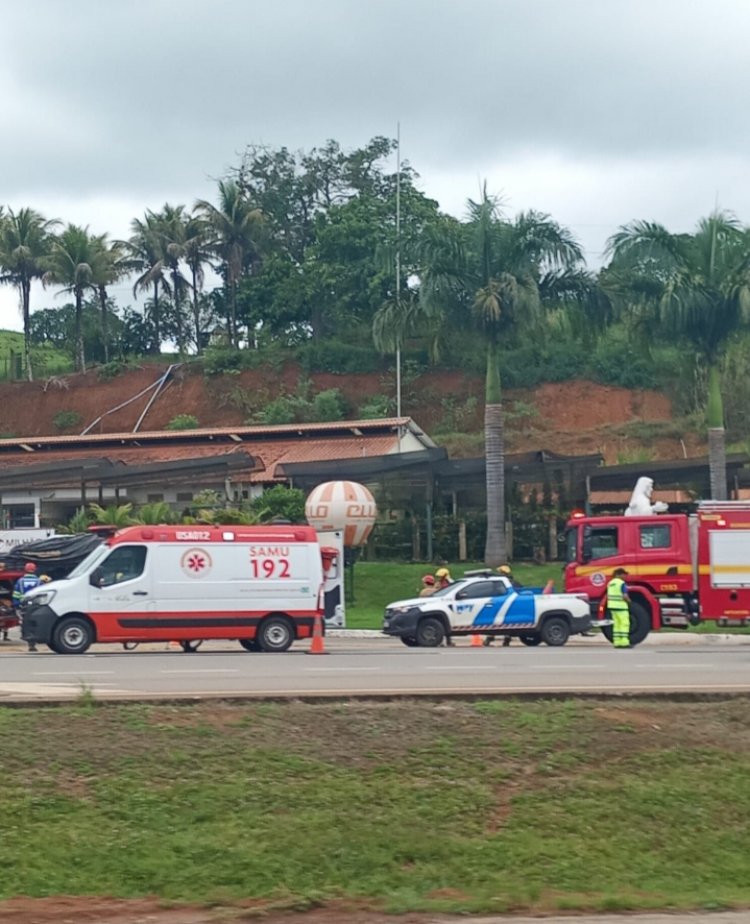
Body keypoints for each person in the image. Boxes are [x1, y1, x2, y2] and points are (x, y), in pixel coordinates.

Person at [485, 564, 521, 647]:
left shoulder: (501, 583)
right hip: (511, 604)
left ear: (503, 573)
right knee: (506, 622)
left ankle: (490, 637)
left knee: (494, 621)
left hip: (500, 604)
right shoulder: (514, 582)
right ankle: (506, 639)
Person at [13, 562, 41, 652]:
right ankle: (33, 643)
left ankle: (28, 640)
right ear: (34, 570)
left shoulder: (20, 581)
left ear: (25, 570)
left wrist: (17, 605)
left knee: (25, 622)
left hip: (24, 605)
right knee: (34, 623)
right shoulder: (39, 581)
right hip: (34, 605)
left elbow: (16, 594)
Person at [606, 567, 631, 649]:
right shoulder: (621, 583)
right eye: (624, 574)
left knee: (616, 624)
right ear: (619, 574)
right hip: (621, 606)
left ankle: (617, 642)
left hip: (612, 606)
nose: (625, 576)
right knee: (624, 623)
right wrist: (629, 601)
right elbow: (625, 595)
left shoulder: (610, 583)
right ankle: (624, 642)